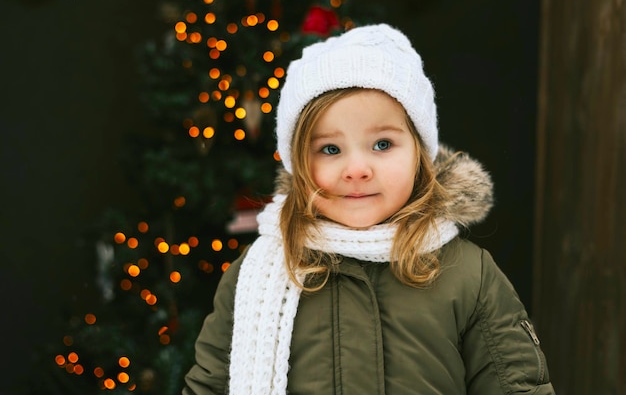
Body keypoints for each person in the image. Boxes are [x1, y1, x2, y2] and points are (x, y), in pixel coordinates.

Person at [183, 23, 555, 395]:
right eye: (330, 149)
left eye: (381, 144)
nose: (357, 169)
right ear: (299, 164)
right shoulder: (257, 276)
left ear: (419, 155)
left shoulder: (468, 276)